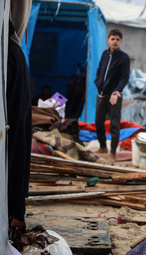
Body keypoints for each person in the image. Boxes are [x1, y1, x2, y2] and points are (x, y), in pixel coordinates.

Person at [7, 0, 33, 236]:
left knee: (14, 155)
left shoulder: (9, 54)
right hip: (16, 134)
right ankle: (17, 217)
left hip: (12, 132)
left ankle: (15, 218)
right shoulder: (15, 51)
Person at [94, 28, 130, 163]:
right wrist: (97, 82)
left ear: (121, 42)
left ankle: (113, 151)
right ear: (108, 40)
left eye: (118, 39)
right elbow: (99, 70)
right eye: (113, 39)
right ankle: (103, 147)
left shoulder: (124, 58)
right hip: (101, 94)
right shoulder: (104, 54)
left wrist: (117, 92)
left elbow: (125, 77)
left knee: (114, 124)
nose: (115, 41)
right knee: (98, 121)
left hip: (114, 95)